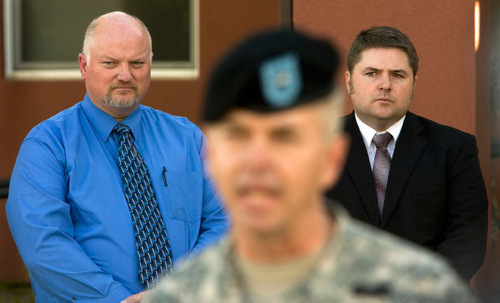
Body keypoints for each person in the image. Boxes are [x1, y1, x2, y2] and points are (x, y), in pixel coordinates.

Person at [144, 29, 477, 302]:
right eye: (239, 136)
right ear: (212, 158)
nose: (258, 161)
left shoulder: (424, 292)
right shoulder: (178, 297)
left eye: (285, 137)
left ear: (330, 159)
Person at [6, 11, 228, 303]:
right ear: (84, 66)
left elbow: (225, 220)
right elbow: (43, 243)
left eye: (137, 63)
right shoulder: (47, 144)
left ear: (150, 64)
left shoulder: (188, 139)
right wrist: (116, 299)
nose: (125, 75)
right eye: (110, 63)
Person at [325, 26, 488, 282]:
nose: (385, 85)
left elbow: (468, 241)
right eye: (372, 73)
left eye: (398, 75)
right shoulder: (317, 147)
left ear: (414, 83)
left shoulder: (454, 148)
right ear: (348, 81)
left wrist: (415, 292)